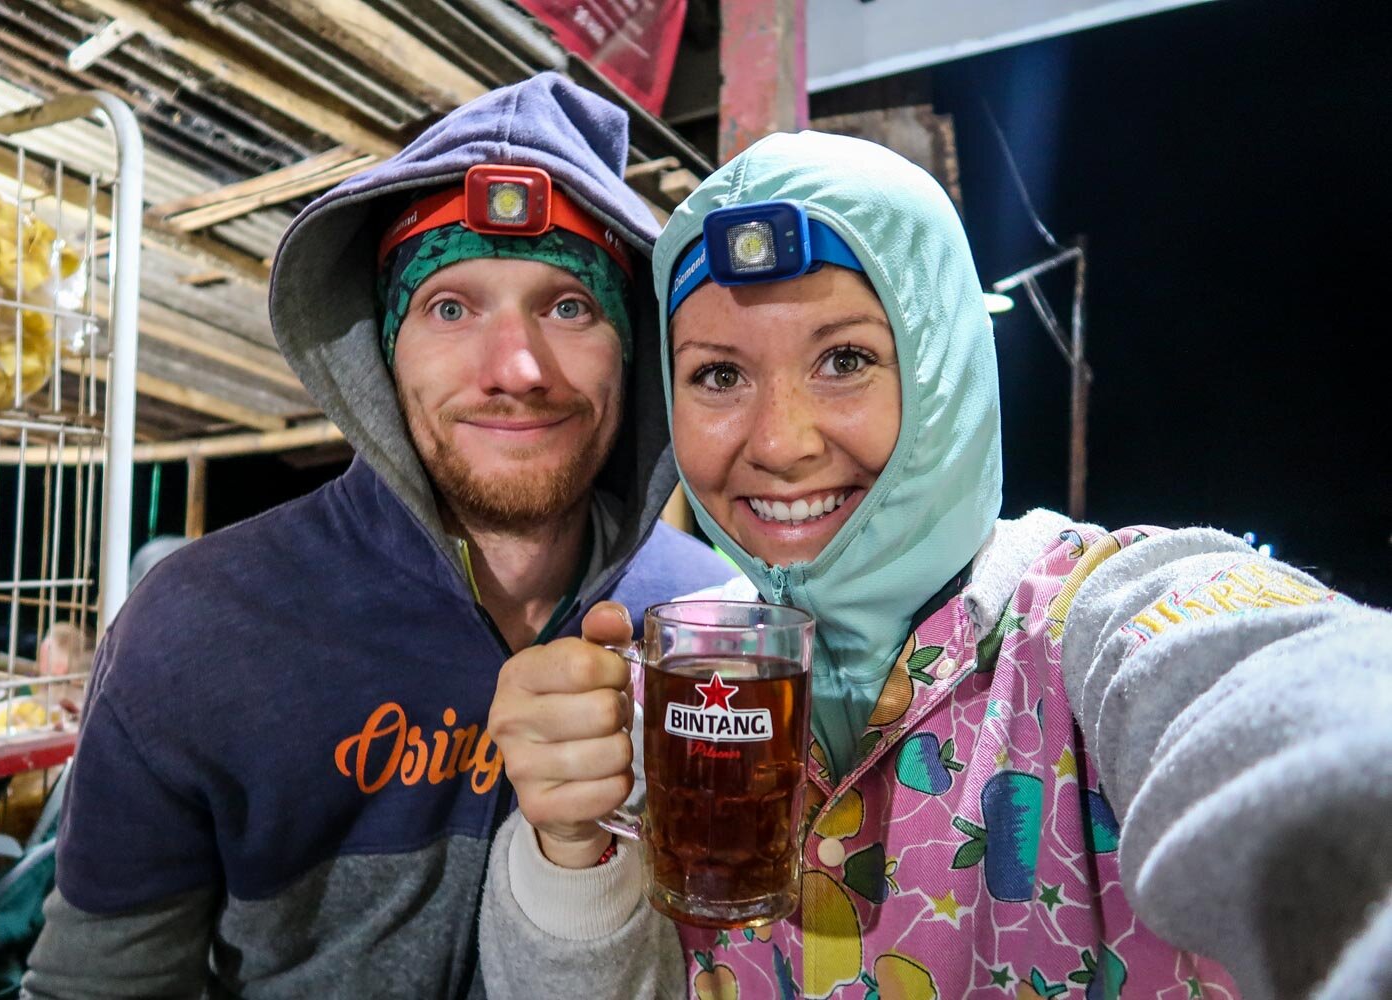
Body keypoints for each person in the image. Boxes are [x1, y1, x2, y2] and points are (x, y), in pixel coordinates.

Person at [478, 130, 1392, 1000]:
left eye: (844, 359)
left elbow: (1282, 694)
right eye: (719, 375)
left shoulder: (1090, 617)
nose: (782, 442)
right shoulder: (674, 696)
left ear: (944, 366)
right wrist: (567, 848)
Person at [21, 73, 732, 998]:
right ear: (383, 351)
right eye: (450, 308)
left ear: (632, 344)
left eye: (569, 305)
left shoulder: (711, 628)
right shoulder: (197, 628)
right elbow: (94, 990)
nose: (516, 369)